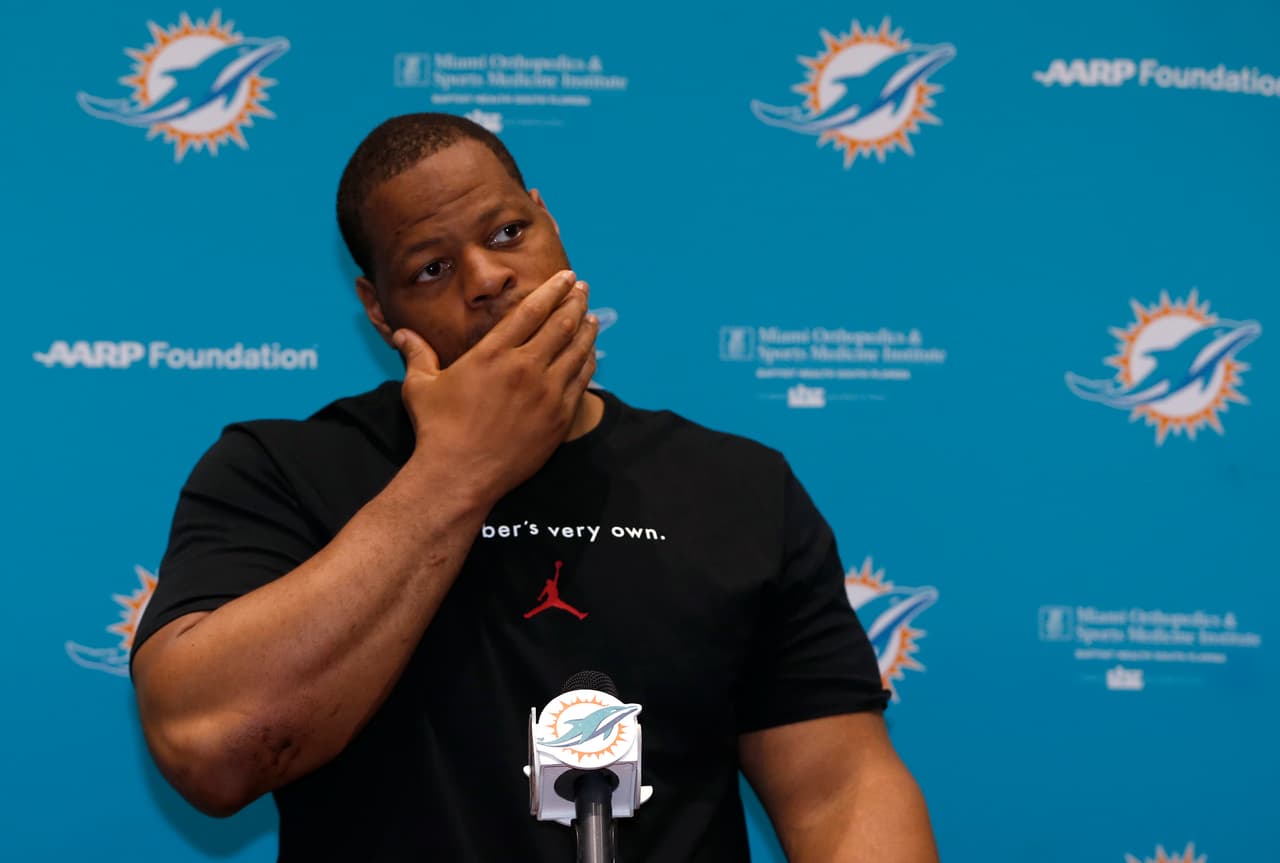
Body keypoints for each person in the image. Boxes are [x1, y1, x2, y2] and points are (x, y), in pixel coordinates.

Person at [131, 113, 938, 862]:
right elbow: (211, 748)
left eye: (509, 231)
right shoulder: (281, 469)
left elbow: (841, 793)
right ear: (379, 311)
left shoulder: (738, 483)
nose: (487, 277)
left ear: (551, 222)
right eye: (432, 267)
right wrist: (459, 470)